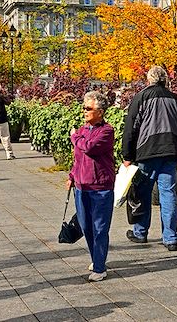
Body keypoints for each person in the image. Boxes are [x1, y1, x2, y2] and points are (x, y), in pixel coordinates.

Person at [122, 66, 177, 251]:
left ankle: (140, 233)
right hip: (171, 151)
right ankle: (170, 238)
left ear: (149, 79)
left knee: (143, 192)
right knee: (168, 194)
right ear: (165, 80)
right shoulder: (176, 100)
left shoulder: (141, 97)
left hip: (148, 151)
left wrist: (127, 155)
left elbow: (131, 128)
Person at [67, 92, 115, 282]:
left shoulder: (106, 131)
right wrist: (72, 175)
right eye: (84, 108)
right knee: (86, 226)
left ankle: (100, 266)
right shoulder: (82, 130)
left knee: (100, 227)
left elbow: (89, 147)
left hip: (100, 186)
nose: (84, 111)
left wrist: (74, 138)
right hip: (81, 185)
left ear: (100, 112)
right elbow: (78, 157)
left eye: (89, 108)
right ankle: (96, 258)